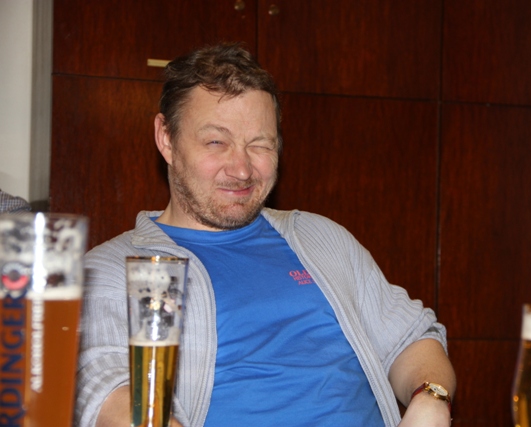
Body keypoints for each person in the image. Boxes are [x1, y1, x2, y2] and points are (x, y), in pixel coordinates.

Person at [75, 43, 456, 427]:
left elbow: (410, 338)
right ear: (166, 138)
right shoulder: (118, 267)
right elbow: (108, 390)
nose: (242, 170)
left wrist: (432, 397)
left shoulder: (320, 237)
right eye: (216, 142)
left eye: (260, 144)